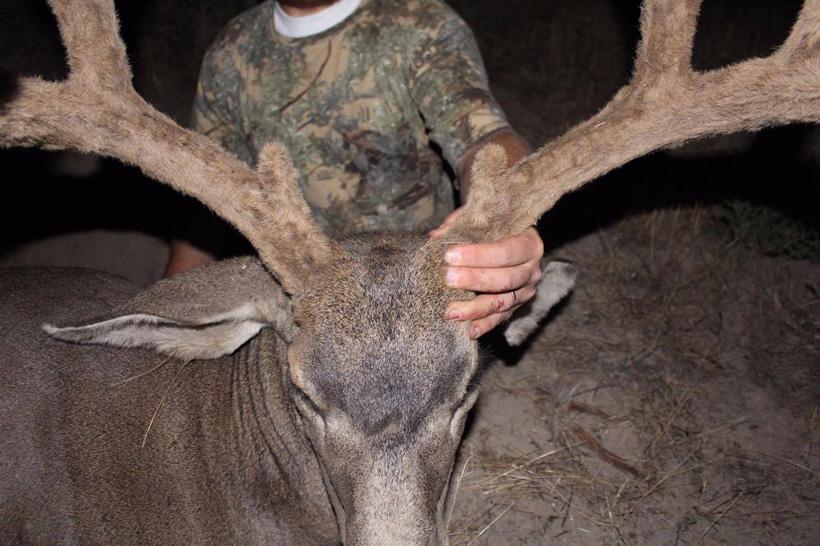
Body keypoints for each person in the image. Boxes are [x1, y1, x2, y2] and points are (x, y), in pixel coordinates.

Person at [166, 0, 544, 339]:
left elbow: (485, 139)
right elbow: (210, 193)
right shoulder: (231, 51)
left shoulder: (418, 22)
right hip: (299, 292)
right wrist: (173, 308)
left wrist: (500, 218)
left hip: (416, 289)